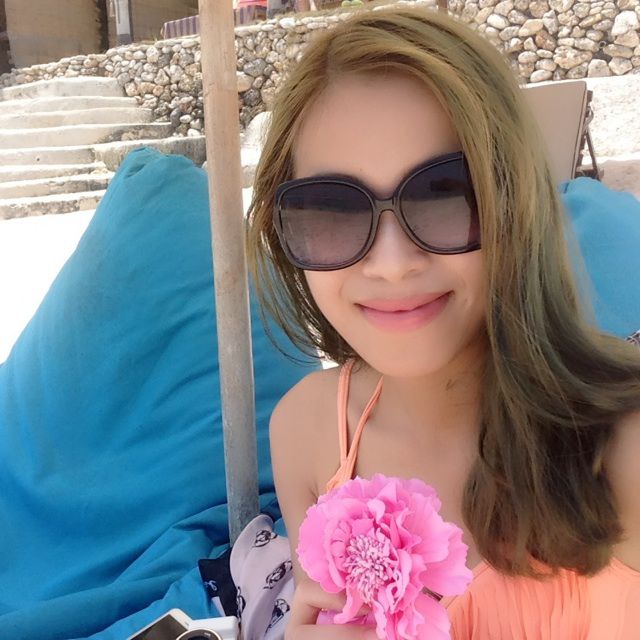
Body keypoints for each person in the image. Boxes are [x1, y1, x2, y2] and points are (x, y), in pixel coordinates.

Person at [245, 4, 640, 638]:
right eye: (331, 209)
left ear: (515, 202)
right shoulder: (306, 431)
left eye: (446, 194)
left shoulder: (622, 450)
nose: (392, 264)